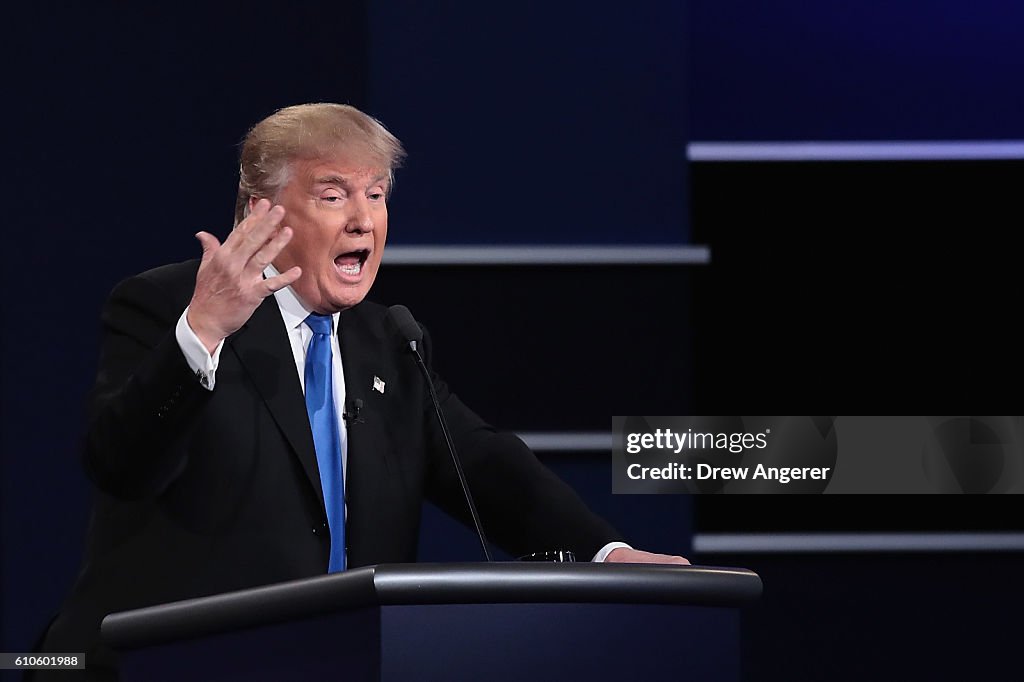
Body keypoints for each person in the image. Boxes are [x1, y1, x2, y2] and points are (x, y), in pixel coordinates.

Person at [36, 103, 687, 679]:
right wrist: (204, 329)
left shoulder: (389, 340)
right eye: (333, 195)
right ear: (259, 212)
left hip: (339, 661)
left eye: (375, 196)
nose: (362, 220)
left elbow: (483, 465)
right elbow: (121, 464)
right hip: (172, 665)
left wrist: (608, 552)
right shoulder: (168, 305)